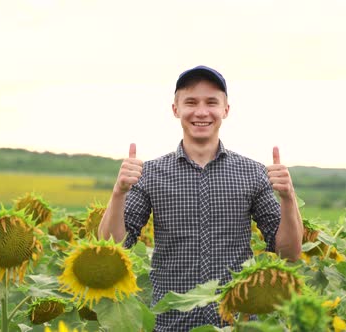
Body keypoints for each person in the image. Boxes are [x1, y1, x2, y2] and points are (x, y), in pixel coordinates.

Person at [98, 65, 303, 331]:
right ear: (175, 109)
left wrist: (288, 198)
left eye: (211, 102)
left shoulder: (252, 173)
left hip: (237, 324)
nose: (202, 112)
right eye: (191, 102)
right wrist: (118, 193)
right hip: (171, 324)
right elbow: (111, 249)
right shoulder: (150, 174)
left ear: (225, 110)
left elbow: (289, 254)